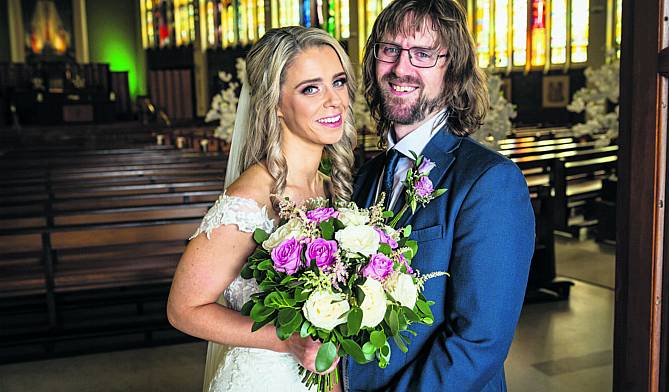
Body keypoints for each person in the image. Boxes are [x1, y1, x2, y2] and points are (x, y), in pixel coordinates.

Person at [345, 0, 535, 390]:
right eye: (390, 49)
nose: (401, 68)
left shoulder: (490, 181)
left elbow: (477, 342)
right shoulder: (365, 177)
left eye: (423, 54)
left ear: (454, 70)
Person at [167, 26, 356, 392]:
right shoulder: (247, 203)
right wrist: (282, 339)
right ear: (275, 104)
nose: (334, 101)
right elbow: (183, 309)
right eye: (311, 88)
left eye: (339, 82)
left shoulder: (330, 187)